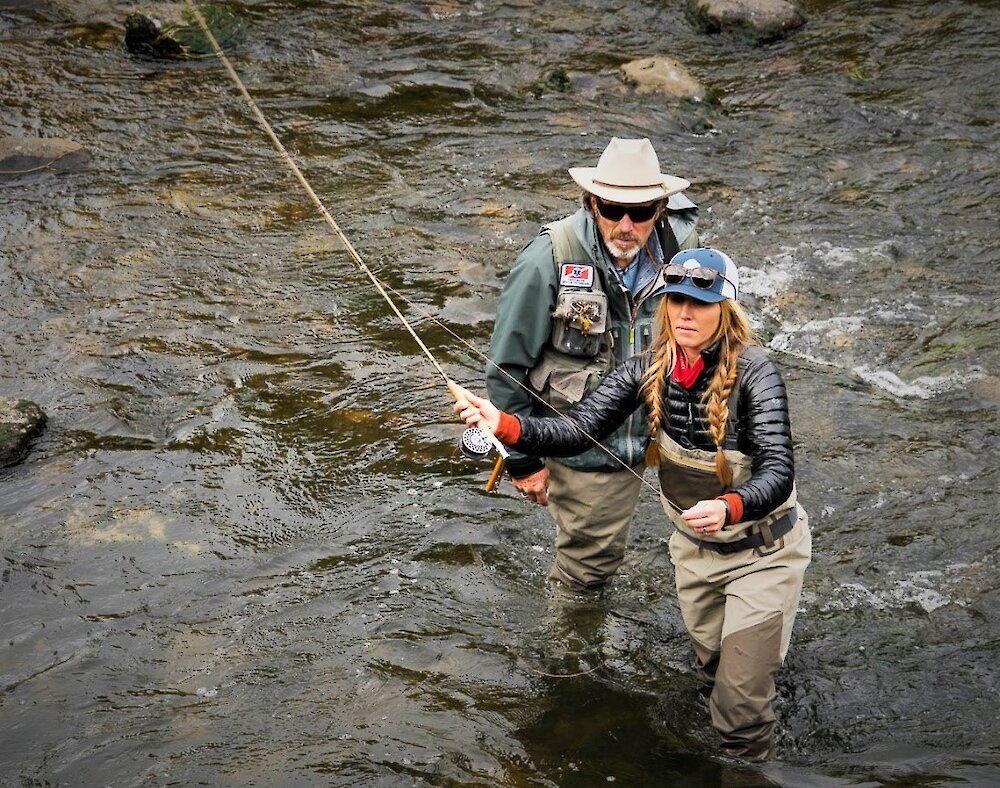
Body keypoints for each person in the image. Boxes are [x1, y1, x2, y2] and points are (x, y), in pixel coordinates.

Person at [457, 247, 811, 762]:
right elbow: (576, 429)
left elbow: (779, 473)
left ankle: (746, 768)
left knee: (738, 713)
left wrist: (732, 506)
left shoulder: (757, 376)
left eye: (700, 303)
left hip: (764, 553)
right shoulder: (647, 369)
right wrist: (504, 424)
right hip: (696, 554)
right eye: (676, 301)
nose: (685, 313)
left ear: (727, 310)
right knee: (712, 677)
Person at [487, 136, 699, 594]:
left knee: (711, 550)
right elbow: (504, 370)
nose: (626, 225)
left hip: (668, 432)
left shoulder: (686, 252)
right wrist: (524, 463)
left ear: (661, 209)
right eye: (611, 209)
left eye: (641, 212)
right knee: (587, 572)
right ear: (590, 202)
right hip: (586, 445)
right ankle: (568, 658)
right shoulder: (546, 261)